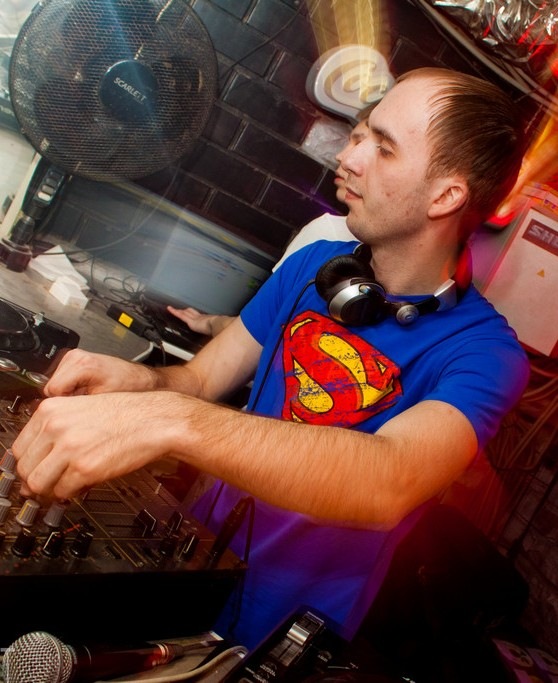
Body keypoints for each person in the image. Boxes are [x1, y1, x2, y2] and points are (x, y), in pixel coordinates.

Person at [12, 67, 530, 652]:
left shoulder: (486, 354)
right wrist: (142, 381)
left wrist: (169, 420)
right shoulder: (315, 265)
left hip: (276, 631)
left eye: (383, 148)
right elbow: (200, 378)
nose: (349, 157)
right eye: (358, 136)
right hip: (183, 569)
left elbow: (389, 480)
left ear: (446, 196)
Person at [166, 110, 373, 337]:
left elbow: (263, 331)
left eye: (359, 143)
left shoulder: (327, 231)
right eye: (348, 142)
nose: (341, 156)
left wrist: (209, 323)